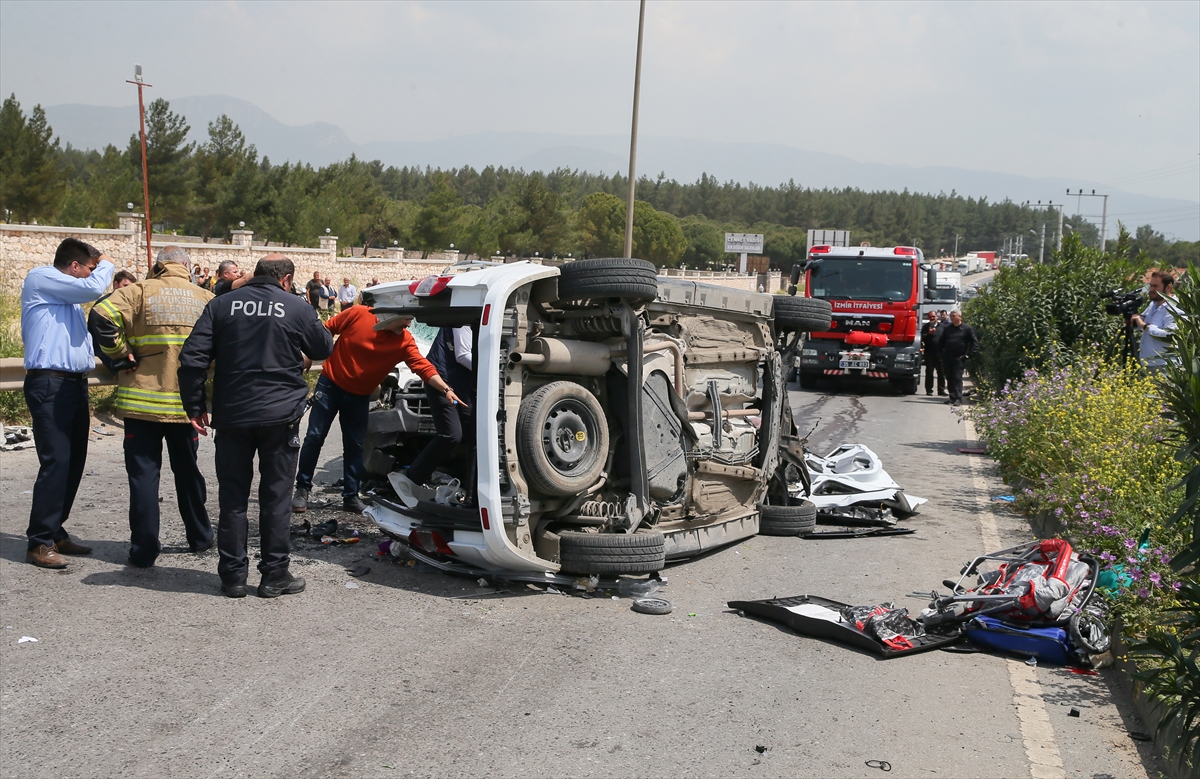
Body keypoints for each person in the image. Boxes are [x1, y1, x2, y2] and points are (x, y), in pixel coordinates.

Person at [178, 255, 333, 599]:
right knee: (276, 497)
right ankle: (274, 575)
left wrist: (194, 406)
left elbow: (192, 359)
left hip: (233, 416)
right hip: (281, 417)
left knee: (233, 497)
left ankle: (233, 577)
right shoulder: (296, 306)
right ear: (287, 279)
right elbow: (324, 347)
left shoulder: (221, 305)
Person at [91, 246, 215, 567]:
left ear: (159, 265)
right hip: (185, 405)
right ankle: (200, 537)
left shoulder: (138, 292)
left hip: (140, 404)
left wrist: (120, 354)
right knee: (187, 473)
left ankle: (144, 550)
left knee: (144, 477)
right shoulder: (204, 298)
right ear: (187, 267)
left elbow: (101, 316)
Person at [292, 308, 465, 514]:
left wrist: (446, 389)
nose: (409, 325)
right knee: (314, 437)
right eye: (406, 320)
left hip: (359, 397)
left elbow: (423, 367)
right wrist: (309, 353)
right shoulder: (358, 314)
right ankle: (302, 490)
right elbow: (326, 330)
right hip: (330, 386)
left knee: (355, 445)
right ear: (390, 316)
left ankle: (351, 496)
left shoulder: (404, 341)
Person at [20, 238, 114, 568]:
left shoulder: (67, 297)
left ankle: (55, 529)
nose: (93, 273)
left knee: (73, 461)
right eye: (89, 267)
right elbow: (94, 288)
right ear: (75, 266)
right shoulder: (41, 277)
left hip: (74, 383)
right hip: (50, 382)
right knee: (56, 461)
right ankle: (39, 542)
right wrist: (105, 262)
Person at [395, 325, 475, 505]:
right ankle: (410, 477)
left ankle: (472, 497)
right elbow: (463, 355)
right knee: (451, 434)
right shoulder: (462, 319)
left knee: (475, 438)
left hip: (463, 385)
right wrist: (494, 369)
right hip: (441, 381)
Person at [88, 269, 138, 376]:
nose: (129, 290)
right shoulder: (104, 304)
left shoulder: (127, 303)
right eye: (125, 285)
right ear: (115, 284)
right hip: (106, 351)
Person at [1131, 271, 1178, 370]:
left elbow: (1171, 335)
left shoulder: (1174, 307)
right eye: (1151, 286)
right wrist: (1133, 319)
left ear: (1168, 287)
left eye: (1155, 286)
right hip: (1148, 362)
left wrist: (1145, 326)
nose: (1151, 290)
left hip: (1165, 365)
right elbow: (1141, 321)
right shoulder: (1154, 303)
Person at [937, 309, 979, 407]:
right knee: (949, 377)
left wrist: (968, 355)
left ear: (960, 317)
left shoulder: (967, 329)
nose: (951, 318)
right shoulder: (947, 329)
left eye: (954, 316)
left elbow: (975, 343)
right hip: (947, 357)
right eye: (951, 316)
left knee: (957, 378)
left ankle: (958, 398)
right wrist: (940, 355)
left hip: (959, 358)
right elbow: (941, 342)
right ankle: (952, 396)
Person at [920, 311, 945, 397]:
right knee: (929, 372)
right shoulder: (925, 327)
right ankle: (929, 390)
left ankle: (941, 390)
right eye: (930, 317)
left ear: (937, 317)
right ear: (928, 318)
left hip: (940, 353)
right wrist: (929, 334)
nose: (932, 318)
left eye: (934, 316)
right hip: (929, 353)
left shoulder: (943, 327)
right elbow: (923, 339)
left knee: (941, 372)